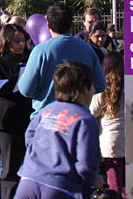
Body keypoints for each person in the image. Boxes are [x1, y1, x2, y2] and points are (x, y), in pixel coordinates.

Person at [15, 60, 102, 199]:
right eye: (92, 86)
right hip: (59, 187)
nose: (94, 91)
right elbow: (86, 163)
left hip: (28, 180)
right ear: (84, 88)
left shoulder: (47, 111)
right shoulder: (85, 119)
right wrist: (94, 179)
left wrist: (42, 158)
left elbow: (29, 136)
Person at [19, 3, 105, 117]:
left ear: (48, 26)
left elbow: (26, 89)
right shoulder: (87, 50)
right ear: (71, 24)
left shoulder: (40, 51)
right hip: (78, 119)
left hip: (46, 119)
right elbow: (100, 84)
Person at [0, 24, 31, 199]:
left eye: (23, 41)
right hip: (7, 121)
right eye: (16, 41)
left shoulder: (29, 57)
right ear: (6, 41)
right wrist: (21, 76)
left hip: (27, 116)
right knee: (9, 167)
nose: (20, 45)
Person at [89, 52, 125, 197]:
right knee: (127, 184)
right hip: (130, 140)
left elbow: (91, 112)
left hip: (110, 142)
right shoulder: (132, 85)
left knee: (114, 184)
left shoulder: (103, 89)